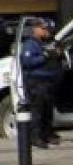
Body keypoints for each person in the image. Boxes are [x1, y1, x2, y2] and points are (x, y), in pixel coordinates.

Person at [19, 18, 60, 148]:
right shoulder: (30, 44)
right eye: (44, 29)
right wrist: (45, 56)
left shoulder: (45, 43)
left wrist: (56, 53)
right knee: (38, 111)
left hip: (47, 81)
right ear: (35, 29)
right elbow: (27, 62)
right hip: (36, 82)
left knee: (47, 110)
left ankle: (46, 134)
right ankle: (35, 137)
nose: (47, 31)